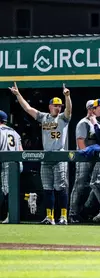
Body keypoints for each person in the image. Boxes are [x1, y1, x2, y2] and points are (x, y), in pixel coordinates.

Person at [9, 82, 72, 225]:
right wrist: (18, 94)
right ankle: (49, 217)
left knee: (60, 188)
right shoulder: (44, 117)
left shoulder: (63, 118)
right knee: (48, 188)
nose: (58, 107)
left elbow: (69, 111)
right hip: (46, 156)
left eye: (59, 105)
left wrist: (67, 97)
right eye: (55, 105)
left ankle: (63, 216)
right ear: (50, 106)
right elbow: (28, 108)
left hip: (59, 155)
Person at [68, 100, 98, 223]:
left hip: (94, 159)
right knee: (79, 186)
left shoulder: (96, 122)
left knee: (94, 185)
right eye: (92, 108)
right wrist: (87, 156)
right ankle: (73, 213)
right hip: (84, 159)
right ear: (88, 109)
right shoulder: (83, 123)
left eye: (95, 108)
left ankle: (85, 211)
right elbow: (81, 143)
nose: (93, 110)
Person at [0, 110, 24, 223]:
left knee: (7, 190)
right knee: (12, 189)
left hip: (7, 163)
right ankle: (13, 215)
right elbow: (21, 150)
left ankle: (11, 215)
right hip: (18, 163)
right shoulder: (14, 131)